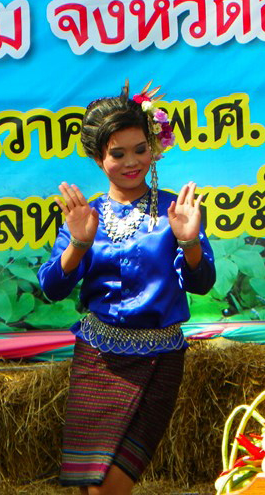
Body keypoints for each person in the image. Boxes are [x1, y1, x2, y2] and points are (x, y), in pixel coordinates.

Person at [37, 81, 216, 494]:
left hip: (159, 357)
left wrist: (190, 241)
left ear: (154, 148)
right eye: (118, 154)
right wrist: (78, 244)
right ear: (98, 158)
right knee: (91, 486)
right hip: (98, 356)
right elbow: (52, 288)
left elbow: (202, 283)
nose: (132, 162)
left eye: (140, 149)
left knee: (112, 486)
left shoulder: (175, 210)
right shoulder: (87, 216)